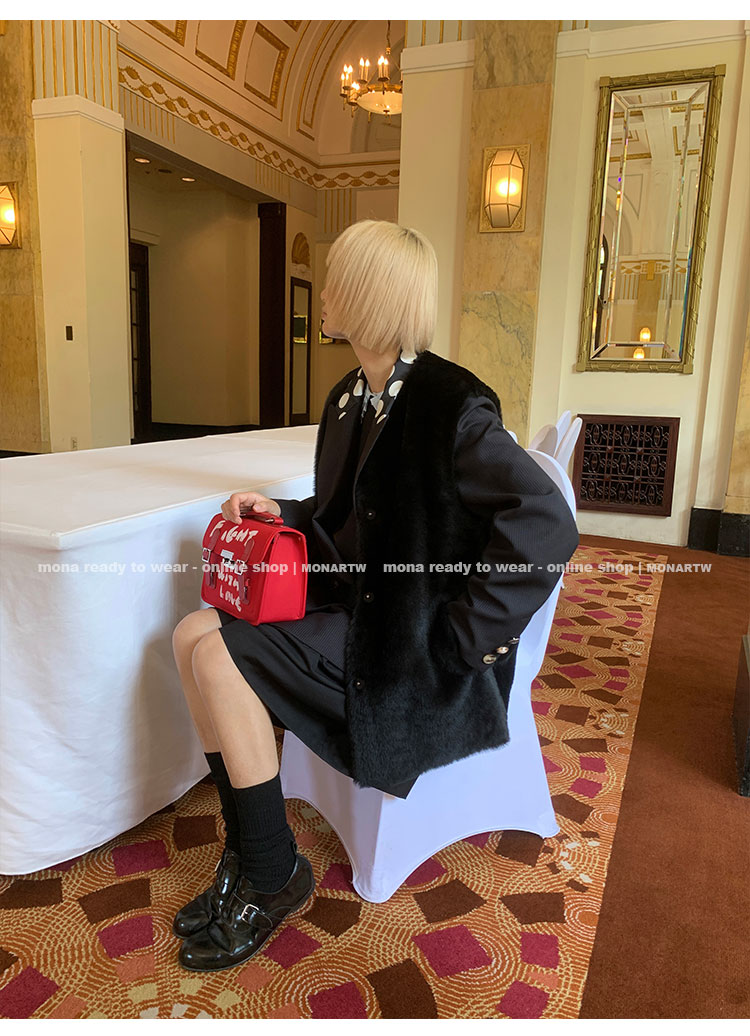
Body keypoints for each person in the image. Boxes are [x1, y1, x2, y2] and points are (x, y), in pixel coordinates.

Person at [170, 219, 580, 972]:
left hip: (412, 647)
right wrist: (281, 512)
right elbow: (344, 521)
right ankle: (250, 848)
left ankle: (273, 873)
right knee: (191, 633)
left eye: (336, 280)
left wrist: (462, 638)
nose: (323, 293)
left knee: (221, 656)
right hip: (358, 614)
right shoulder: (349, 398)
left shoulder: (451, 404)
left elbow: (547, 523)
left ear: (367, 294)